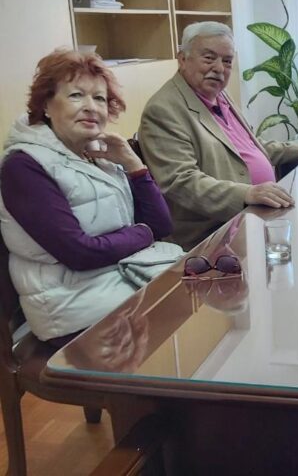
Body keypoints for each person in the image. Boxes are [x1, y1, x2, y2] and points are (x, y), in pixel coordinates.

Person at [0, 49, 182, 344]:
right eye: (76, 95)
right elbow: (80, 253)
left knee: (210, 301)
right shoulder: (23, 166)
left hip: (122, 283)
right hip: (73, 309)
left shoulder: (98, 153)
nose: (91, 107)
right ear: (46, 104)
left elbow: (162, 224)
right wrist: (142, 234)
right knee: (188, 328)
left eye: (99, 98)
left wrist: (133, 164)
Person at [139, 22, 298, 250]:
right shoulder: (163, 110)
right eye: (209, 58)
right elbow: (181, 182)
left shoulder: (219, 95)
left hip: (257, 216)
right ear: (182, 59)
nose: (219, 68)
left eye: (227, 61)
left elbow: (247, 147)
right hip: (213, 233)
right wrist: (247, 193)